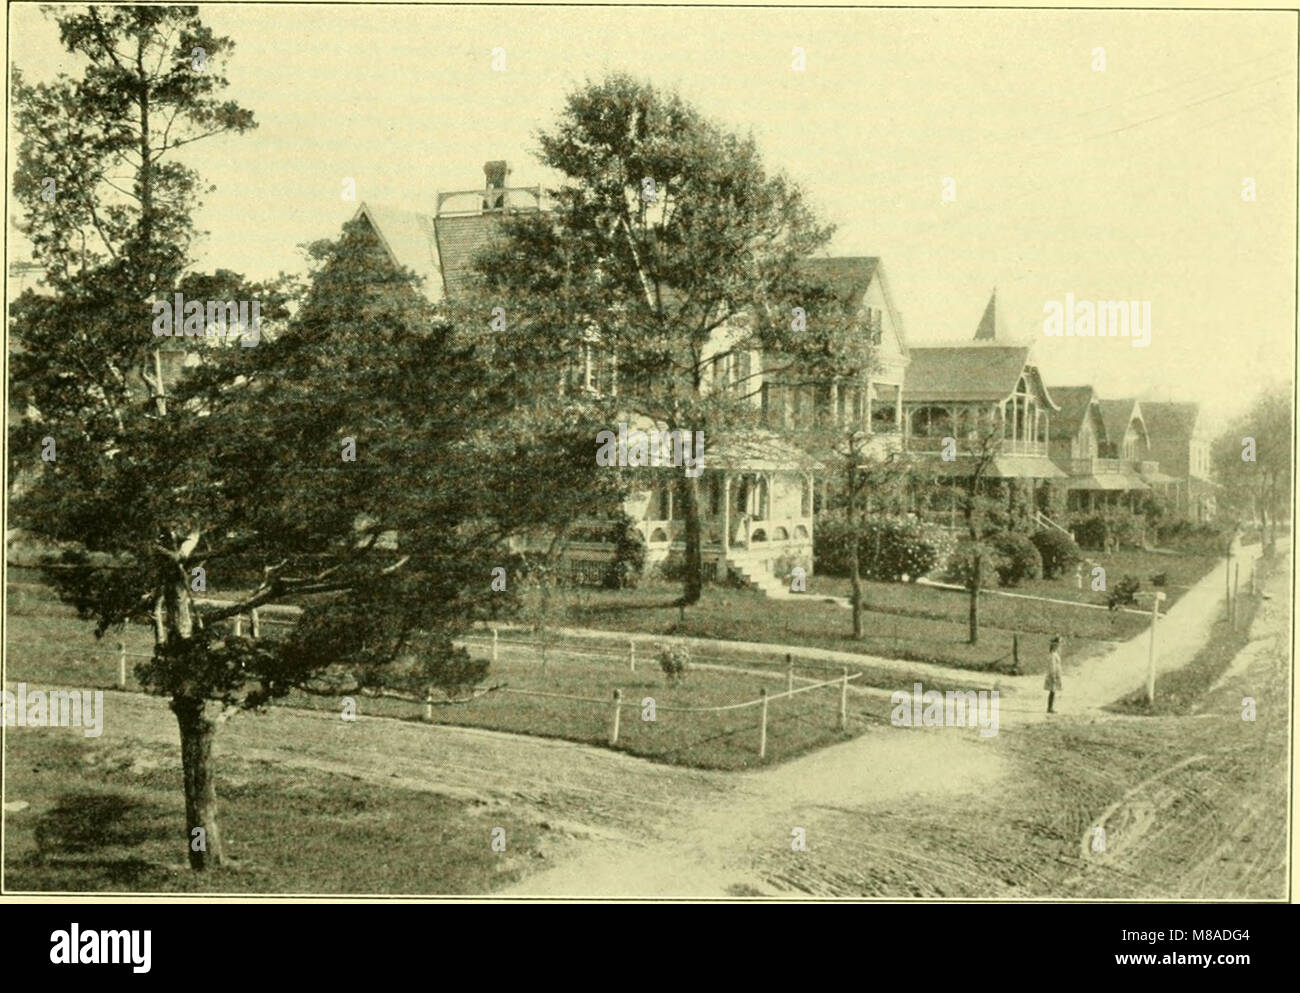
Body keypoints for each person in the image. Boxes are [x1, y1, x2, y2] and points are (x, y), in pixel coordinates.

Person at [1044, 635, 1064, 713]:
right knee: (1052, 691)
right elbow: (1052, 666)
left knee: (1053, 691)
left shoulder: (1055, 654)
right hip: (1053, 675)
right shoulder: (1053, 655)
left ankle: (1050, 707)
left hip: (1055, 674)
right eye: (1058, 645)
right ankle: (1050, 708)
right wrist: (1054, 676)